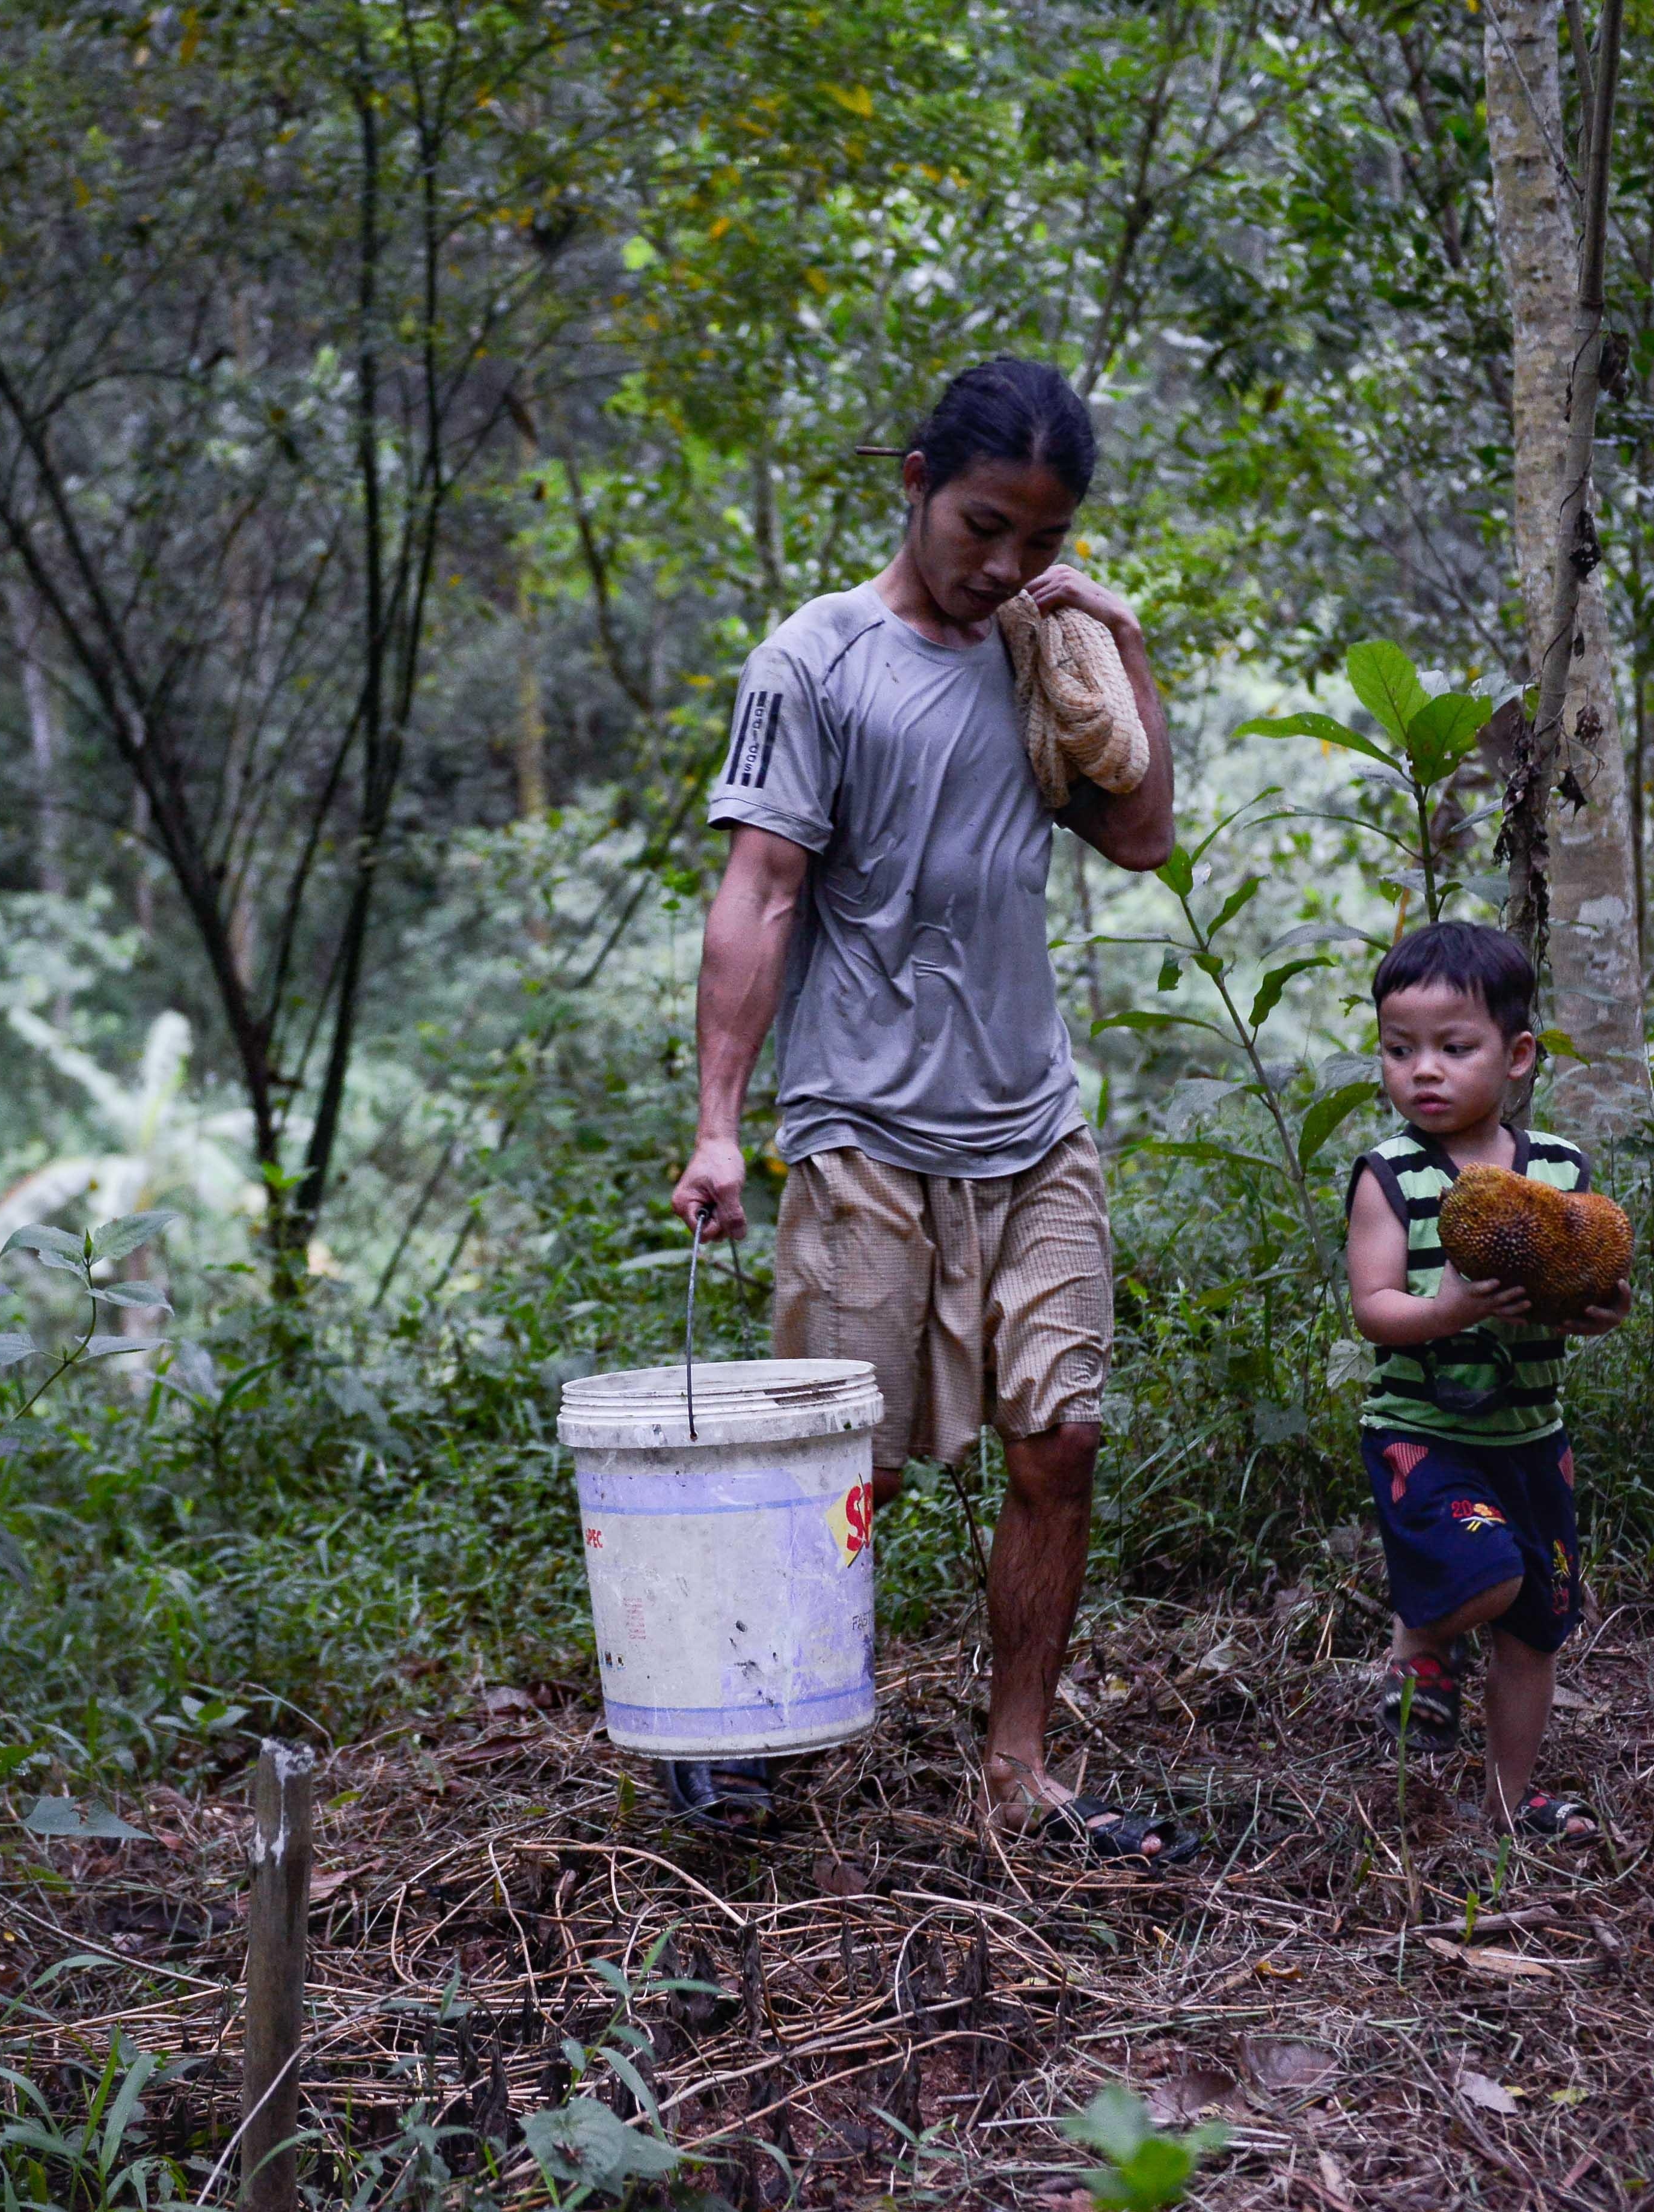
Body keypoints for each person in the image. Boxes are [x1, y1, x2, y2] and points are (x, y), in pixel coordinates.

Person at [667, 356, 1195, 1862]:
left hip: (1033, 1122)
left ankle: (1019, 1770)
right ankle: (744, 1727)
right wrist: (720, 1123)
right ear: (916, 484)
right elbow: (762, 891)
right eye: (983, 526)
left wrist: (1123, 646)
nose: (1008, 564)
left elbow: (1142, 834)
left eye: (1043, 539)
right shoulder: (816, 660)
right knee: (853, 1463)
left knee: (1062, 1441)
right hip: (864, 1130)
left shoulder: (1046, 655)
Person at [1341, 921, 1631, 1841]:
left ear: (1517, 1056)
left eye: (1454, 1048)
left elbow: (1580, 1283)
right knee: (1490, 1575)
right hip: (1422, 1432)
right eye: (1400, 1050)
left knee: (1537, 1625)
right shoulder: (1391, 1176)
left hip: (1531, 1438)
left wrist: (1595, 1309)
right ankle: (1420, 1642)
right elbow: (1374, 1307)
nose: (1422, 1070)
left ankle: (1511, 1799)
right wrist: (1450, 1310)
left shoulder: (1558, 1170)